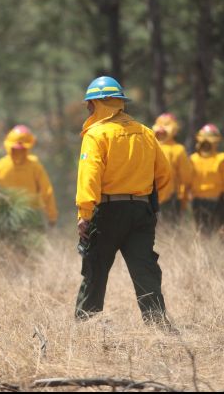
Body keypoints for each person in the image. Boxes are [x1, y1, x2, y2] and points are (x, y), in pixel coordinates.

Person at [75, 76, 173, 325]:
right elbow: (165, 175)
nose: (88, 109)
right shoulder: (146, 133)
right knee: (145, 270)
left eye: (90, 104)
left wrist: (84, 214)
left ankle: (86, 327)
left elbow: (89, 177)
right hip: (141, 211)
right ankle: (157, 325)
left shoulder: (96, 134)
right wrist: (147, 201)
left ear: (99, 103)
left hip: (107, 211)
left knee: (95, 270)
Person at [0, 125, 58, 226]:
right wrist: (52, 216)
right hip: (30, 217)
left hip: (5, 218)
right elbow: (47, 192)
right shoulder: (35, 165)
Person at [152, 113, 193, 218]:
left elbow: (186, 177)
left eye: (165, 125)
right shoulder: (150, 146)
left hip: (167, 197)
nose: (161, 130)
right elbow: (186, 177)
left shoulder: (178, 150)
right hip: (154, 196)